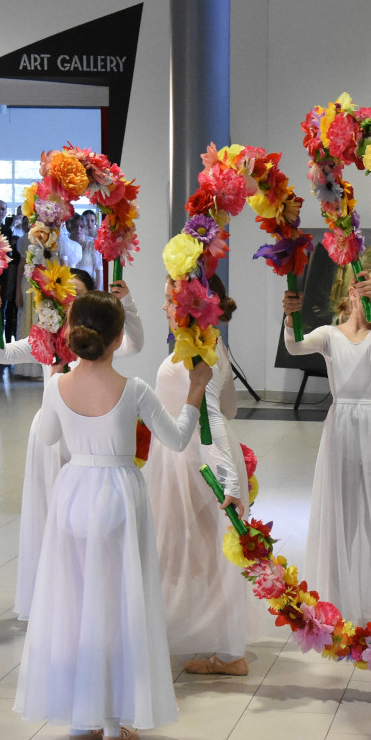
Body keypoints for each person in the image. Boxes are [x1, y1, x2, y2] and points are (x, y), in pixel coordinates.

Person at [14, 292, 213, 740]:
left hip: (73, 492)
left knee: (76, 606)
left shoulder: (57, 385)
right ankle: (110, 727)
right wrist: (196, 389)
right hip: (118, 494)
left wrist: (56, 388)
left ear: (71, 332)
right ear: (119, 338)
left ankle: (79, 724)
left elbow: (47, 435)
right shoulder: (134, 388)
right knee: (115, 608)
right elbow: (177, 439)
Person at [0, 269, 143, 619]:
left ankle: (91, 595)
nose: (70, 302)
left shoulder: (100, 342)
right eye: (65, 295)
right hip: (50, 437)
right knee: (51, 515)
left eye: (78, 295)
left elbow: (134, 344)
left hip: (88, 443)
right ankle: (53, 599)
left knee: (89, 521)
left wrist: (127, 303)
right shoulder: (45, 339)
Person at [281, 275, 371, 626]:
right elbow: (296, 346)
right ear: (352, 292)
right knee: (341, 519)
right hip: (342, 429)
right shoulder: (330, 335)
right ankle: (335, 606)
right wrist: (290, 317)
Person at [147, 274, 251, 675]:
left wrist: (230, 481)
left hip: (196, 462)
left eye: (169, 300)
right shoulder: (209, 343)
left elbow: (214, 415)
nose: (163, 307)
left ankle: (226, 650)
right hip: (193, 455)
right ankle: (215, 642)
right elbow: (229, 407)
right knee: (199, 552)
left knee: (201, 552)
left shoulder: (197, 353)